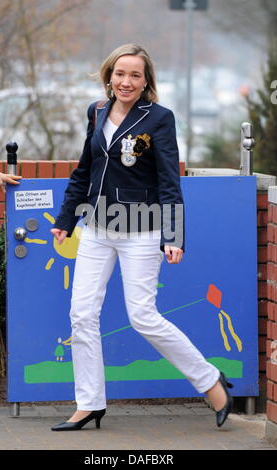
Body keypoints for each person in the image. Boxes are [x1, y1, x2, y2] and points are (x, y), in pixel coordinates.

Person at [51, 44, 233, 432]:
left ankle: (208, 380)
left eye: (135, 75)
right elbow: (86, 168)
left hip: (143, 229)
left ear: (146, 80)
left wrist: (173, 235)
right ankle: (89, 403)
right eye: (120, 74)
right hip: (96, 229)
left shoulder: (159, 119)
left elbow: (169, 179)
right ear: (109, 76)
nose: (126, 82)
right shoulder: (96, 111)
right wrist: (67, 217)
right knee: (81, 315)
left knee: (143, 317)